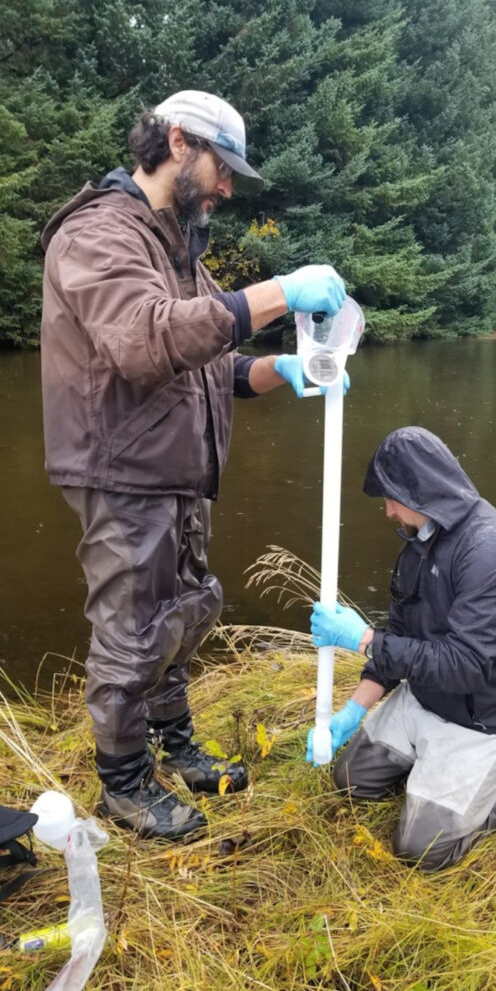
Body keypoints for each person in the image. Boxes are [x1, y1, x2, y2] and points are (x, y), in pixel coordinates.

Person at [41, 89, 347, 841]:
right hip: (122, 472)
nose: (228, 187)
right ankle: (124, 785)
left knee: (179, 618)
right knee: (130, 633)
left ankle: (174, 747)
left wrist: (287, 371)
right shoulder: (98, 235)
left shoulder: (176, 247)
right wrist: (279, 292)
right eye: (223, 167)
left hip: (177, 474)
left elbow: (208, 358)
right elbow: (147, 342)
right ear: (178, 142)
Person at [308, 427, 496, 871]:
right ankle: (439, 774)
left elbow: (464, 667)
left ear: (421, 491)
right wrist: (353, 711)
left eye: (391, 496)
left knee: (423, 849)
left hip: (487, 719)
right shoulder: (419, 541)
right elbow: (399, 635)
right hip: (428, 698)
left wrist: (362, 639)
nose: (387, 510)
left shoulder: (494, 552)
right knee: (351, 782)